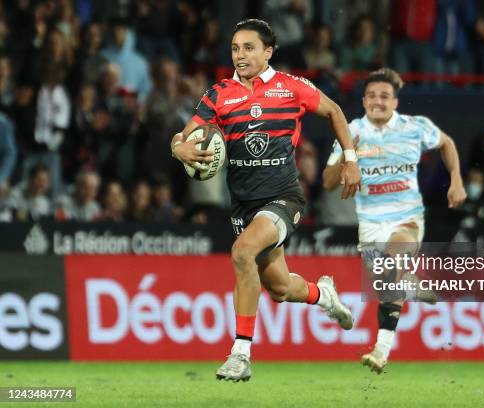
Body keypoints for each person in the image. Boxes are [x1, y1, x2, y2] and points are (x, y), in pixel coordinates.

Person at [170, 19, 361, 382]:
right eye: (235, 49)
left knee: (242, 253)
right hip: (243, 204)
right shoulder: (219, 94)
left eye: (248, 48)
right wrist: (180, 147)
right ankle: (325, 296)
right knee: (278, 287)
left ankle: (240, 354)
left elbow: (335, 112)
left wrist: (350, 160)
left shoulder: (291, 88)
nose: (240, 55)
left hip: (283, 197)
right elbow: (186, 134)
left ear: (268, 51)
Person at [322, 68, 466, 374]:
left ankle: (381, 350)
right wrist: (349, 157)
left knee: (391, 267)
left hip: (406, 218)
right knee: (387, 282)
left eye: (384, 96)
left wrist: (456, 180)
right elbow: (327, 182)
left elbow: (448, 143)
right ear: (363, 101)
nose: (378, 101)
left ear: (395, 102)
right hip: (370, 223)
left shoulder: (415, 127)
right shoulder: (351, 131)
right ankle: (410, 286)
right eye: (372, 95)